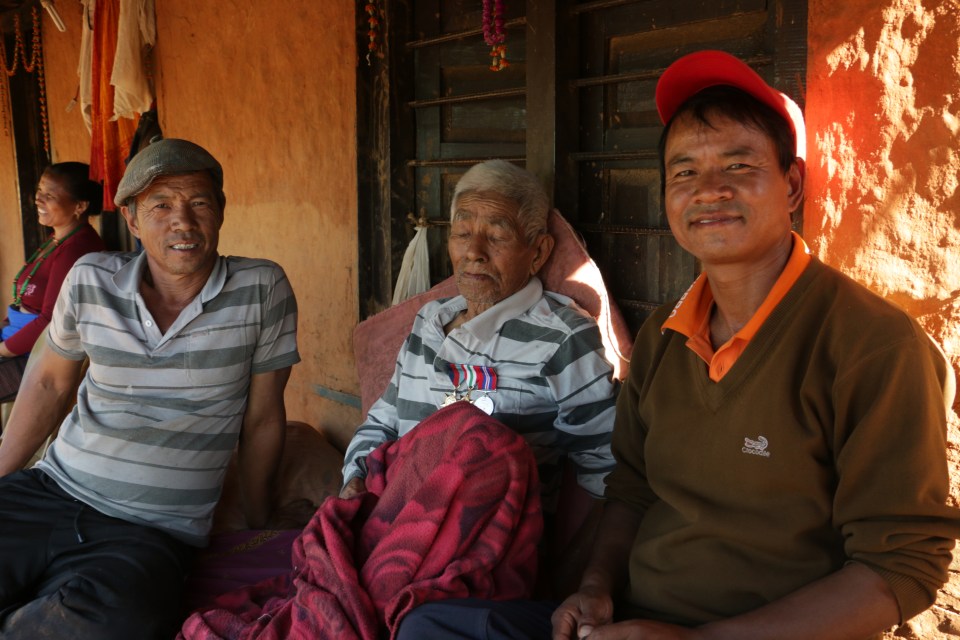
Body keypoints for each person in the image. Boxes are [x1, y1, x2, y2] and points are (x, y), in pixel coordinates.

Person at [551, 50, 959, 640]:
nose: (708, 190)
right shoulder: (666, 338)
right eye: (684, 171)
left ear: (792, 185)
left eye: (738, 166)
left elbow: (902, 567)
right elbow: (633, 488)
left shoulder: (873, 346)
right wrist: (594, 588)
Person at [0, 138, 300, 640]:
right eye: (161, 206)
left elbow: (264, 417)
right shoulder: (90, 277)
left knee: (121, 622)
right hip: (50, 490)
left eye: (199, 203)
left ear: (221, 212)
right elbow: (50, 383)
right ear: (133, 221)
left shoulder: (262, 288)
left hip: (150, 528)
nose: (182, 221)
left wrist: (258, 519)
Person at [341, 159, 618, 511]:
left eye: (498, 236)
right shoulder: (429, 320)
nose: (474, 252)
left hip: (486, 548)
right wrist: (355, 480)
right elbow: (383, 421)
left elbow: (605, 475)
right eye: (462, 234)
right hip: (389, 523)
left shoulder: (562, 338)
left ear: (539, 252)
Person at [0, 162, 105, 402]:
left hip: (38, 356)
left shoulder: (77, 249)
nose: (38, 200)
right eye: (39, 191)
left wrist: (3, 350)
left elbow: (50, 320)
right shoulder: (56, 240)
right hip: (15, 340)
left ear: (80, 206)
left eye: (50, 195)